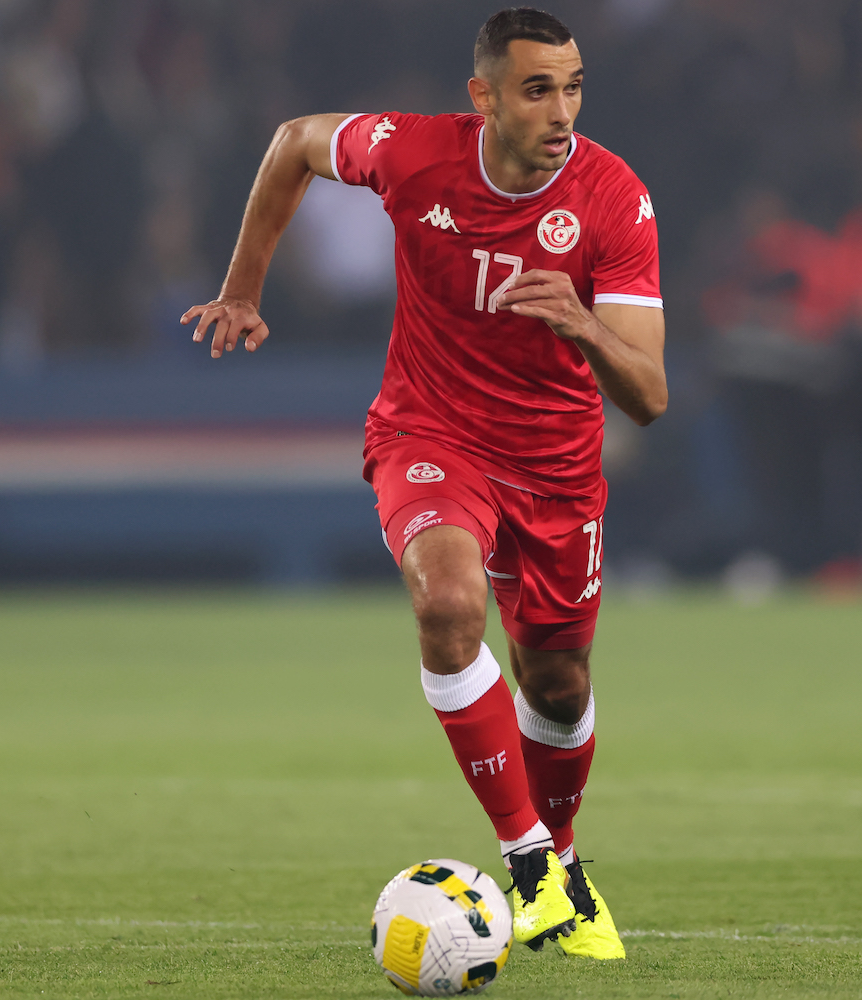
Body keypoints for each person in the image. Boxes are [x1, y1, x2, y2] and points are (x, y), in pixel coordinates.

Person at [183, 7, 664, 959]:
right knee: (447, 609)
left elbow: (647, 393)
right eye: (537, 90)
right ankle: (528, 858)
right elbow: (293, 143)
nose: (561, 110)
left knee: (558, 682)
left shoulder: (615, 198)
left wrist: (582, 324)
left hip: (557, 470)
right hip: (429, 432)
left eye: (572, 87)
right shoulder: (410, 154)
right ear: (483, 97)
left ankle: (564, 868)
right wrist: (243, 286)